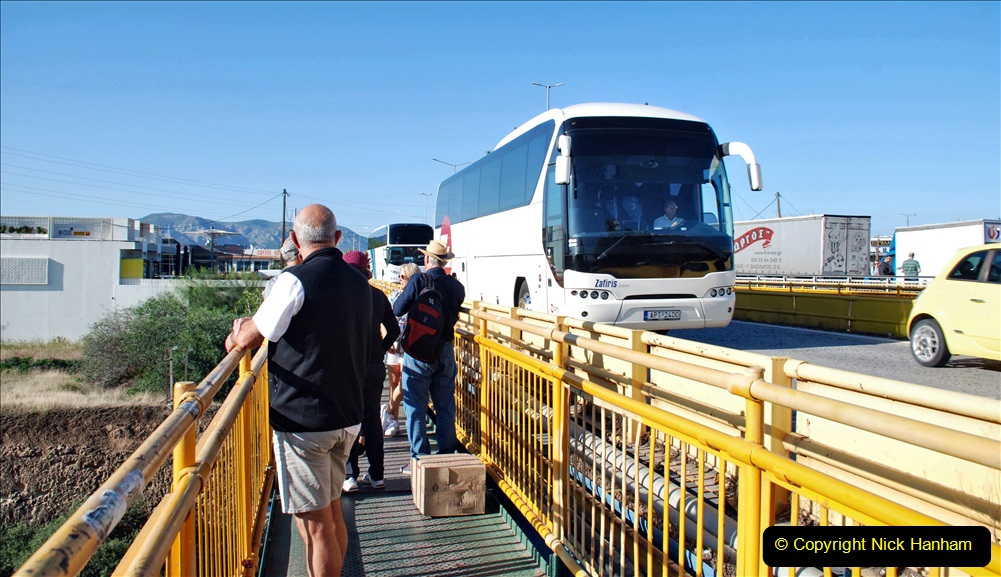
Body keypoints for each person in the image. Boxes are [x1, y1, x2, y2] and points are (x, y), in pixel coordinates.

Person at [224, 204, 371, 577]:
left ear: (294, 238)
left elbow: (248, 338)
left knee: (317, 528)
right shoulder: (359, 283)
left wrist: (238, 328)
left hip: (304, 423)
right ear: (337, 238)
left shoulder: (294, 281)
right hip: (347, 415)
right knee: (333, 515)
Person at [392, 239, 466, 473]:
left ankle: (419, 459)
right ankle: (447, 457)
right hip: (445, 350)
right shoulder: (456, 287)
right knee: (445, 406)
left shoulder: (419, 280)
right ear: (444, 262)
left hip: (418, 351)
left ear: (426, 259)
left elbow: (397, 309)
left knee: (415, 407)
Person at [341, 250, 400, 493]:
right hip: (374, 365)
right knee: (372, 420)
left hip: (348, 366)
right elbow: (394, 330)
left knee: (350, 419)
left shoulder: (340, 295)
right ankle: (377, 475)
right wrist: (379, 350)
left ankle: (350, 476)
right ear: (366, 271)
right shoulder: (377, 295)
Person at [382, 262, 420, 437]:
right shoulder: (394, 295)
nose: (400, 279)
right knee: (393, 382)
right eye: (399, 276)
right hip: (394, 343)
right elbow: (384, 318)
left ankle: (388, 410)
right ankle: (394, 422)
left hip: (408, 345)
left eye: (403, 276)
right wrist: (386, 336)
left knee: (405, 383)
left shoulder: (418, 297)